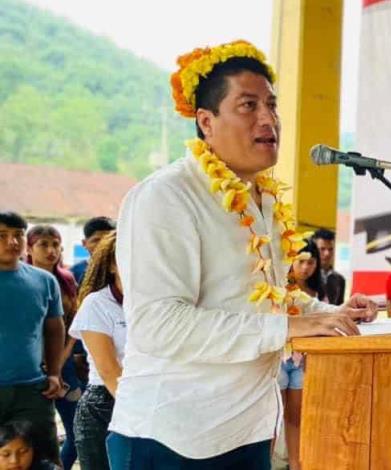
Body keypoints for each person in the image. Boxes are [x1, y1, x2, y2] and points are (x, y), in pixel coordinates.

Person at [108, 40, 376, 469]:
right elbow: (159, 325)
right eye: (248, 105)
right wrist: (292, 327)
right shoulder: (165, 197)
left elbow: (262, 298)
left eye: (272, 105)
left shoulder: (262, 200)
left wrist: (332, 313)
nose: (269, 118)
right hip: (173, 436)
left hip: (248, 431)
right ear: (206, 121)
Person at [0, 212, 64, 465]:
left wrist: (55, 373)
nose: (12, 242)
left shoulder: (44, 281)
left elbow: (54, 329)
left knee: (43, 458)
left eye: (18, 236)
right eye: (2, 236)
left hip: (32, 390)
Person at [68, 232, 124, 470]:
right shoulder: (97, 304)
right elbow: (109, 371)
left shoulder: (155, 304)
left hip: (147, 398)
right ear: (111, 264)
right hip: (107, 402)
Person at [26, 226, 80, 470]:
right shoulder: (19, 280)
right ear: (29, 248)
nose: (51, 251)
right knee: (27, 432)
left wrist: (61, 358)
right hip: (27, 367)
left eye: (56, 245)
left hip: (64, 367)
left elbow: (73, 324)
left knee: (76, 429)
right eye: (43, 244)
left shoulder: (67, 281)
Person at [279, 241, 324, 470]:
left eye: (311, 262)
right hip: (278, 360)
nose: (306, 267)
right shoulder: (280, 287)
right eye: (301, 261)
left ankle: (295, 465)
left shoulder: (316, 293)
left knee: (295, 417)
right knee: (273, 420)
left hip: (302, 362)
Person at [70, 217, 116, 285]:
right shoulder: (74, 273)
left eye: (107, 240)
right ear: (84, 243)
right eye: (97, 240)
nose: (102, 245)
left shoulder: (121, 270)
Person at [312, 229, 346, 305]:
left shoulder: (340, 279)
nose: (327, 253)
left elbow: (339, 308)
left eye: (330, 249)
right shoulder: (306, 275)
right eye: (322, 249)